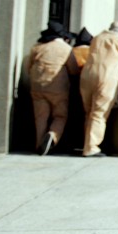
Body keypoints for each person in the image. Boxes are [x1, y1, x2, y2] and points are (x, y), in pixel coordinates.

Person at [79, 21, 118, 157]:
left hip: (87, 76)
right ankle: (91, 147)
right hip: (107, 76)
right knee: (99, 113)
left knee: (89, 112)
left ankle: (86, 143)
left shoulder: (97, 37)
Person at [27, 21, 80, 156]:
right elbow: (73, 69)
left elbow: (28, 66)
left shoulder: (37, 47)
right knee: (60, 116)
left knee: (40, 117)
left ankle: (39, 145)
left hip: (37, 86)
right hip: (58, 87)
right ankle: (52, 135)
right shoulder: (65, 48)